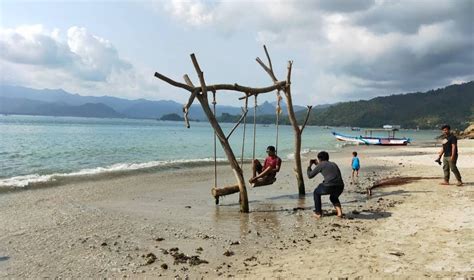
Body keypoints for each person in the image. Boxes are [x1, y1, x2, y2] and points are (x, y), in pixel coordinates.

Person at [307, 151, 344, 218]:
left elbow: (310, 176)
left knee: (316, 192)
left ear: (319, 159)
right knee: (333, 197)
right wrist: (317, 164)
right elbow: (325, 169)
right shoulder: (333, 164)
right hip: (340, 186)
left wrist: (309, 166)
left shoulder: (321, 165)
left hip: (330, 186)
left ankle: (318, 213)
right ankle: (339, 213)